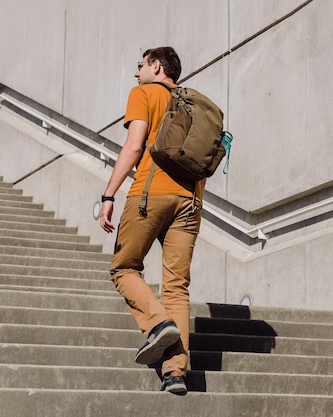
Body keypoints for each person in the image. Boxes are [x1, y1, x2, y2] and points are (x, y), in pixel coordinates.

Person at [99, 46, 203, 395]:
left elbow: (133, 146)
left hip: (149, 194)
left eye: (140, 65)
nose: (135, 73)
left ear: (157, 67)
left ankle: (158, 324)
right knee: (176, 286)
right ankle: (175, 374)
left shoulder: (143, 93)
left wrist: (109, 194)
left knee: (123, 268)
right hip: (190, 201)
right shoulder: (192, 105)